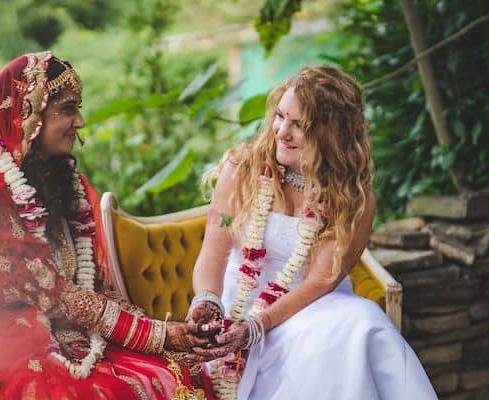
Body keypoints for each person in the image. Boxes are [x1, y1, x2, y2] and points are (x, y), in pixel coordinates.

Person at [0, 51, 216, 400]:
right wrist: (160, 335)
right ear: (27, 115)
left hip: (65, 329)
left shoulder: (62, 181)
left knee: (178, 369)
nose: (81, 121)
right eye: (68, 109)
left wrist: (162, 334)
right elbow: (54, 293)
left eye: (78, 107)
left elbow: (95, 286)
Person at [186, 65, 438, 399]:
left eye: (299, 125)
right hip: (241, 304)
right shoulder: (243, 169)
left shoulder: (352, 196)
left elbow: (321, 281)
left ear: (332, 133)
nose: (281, 132)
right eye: (280, 116)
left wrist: (260, 326)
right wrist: (207, 300)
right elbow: (212, 256)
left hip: (312, 305)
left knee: (360, 322)